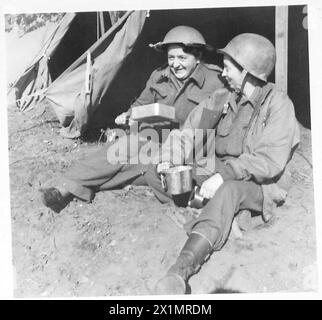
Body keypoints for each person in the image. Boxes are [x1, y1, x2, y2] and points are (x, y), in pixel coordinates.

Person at [145, 33, 300, 294]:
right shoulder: (222, 97)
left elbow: (268, 161)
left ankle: (179, 271)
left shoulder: (278, 104)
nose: (224, 73)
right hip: (219, 169)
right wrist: (168, 160)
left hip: (260, 182)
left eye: (228, 68)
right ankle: (210, 207)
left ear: (248, 72)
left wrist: (224, 175)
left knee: (228, 191)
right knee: (162, 172)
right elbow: (187, 132)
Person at [39, 25, 224, 212]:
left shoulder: (216, 82)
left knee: (137, 168)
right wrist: (129, 116)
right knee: (125, 148)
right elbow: (140, 105)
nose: (175, 64)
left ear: (198, 57)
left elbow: (222, 125)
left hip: (190, 150)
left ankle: (74, 188)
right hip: (156, 140)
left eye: (182, 58)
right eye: (171, 58)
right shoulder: (159, 76)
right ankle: (63, 189)